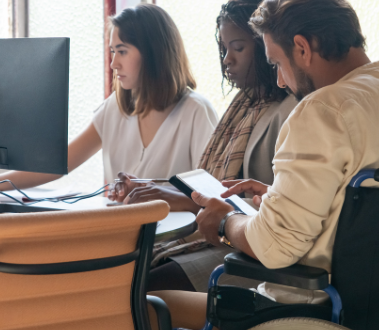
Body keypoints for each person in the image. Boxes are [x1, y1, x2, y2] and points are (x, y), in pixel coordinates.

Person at [148, 0, 379, 327]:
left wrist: (227, 220)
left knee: (148, 303)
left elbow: (275, 247)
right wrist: (279, 196)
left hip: (305, 313)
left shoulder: (324, 110)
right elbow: (365, 219)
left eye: (277, 63)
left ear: (301, 48)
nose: (280, 81)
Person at [111, 0, 298, 293]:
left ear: (266, 46)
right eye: (223, 49)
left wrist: (184, 199)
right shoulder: (245, 105)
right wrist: (158, 188)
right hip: (229, 236)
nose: (227, 60)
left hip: (251, 250)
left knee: (140, 286)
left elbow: (275, 211)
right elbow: (215, 185)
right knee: (127, 272)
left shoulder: (288, 112)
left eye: (238, 48)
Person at [0, 4, 218, 191]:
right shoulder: (116, 109)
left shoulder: (195, 112)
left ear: (154, 52)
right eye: (112, 52)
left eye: (122, 51)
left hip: (168, 245)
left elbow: (210, 194)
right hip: (121, 238)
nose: (113, 64)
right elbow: (59, 165)